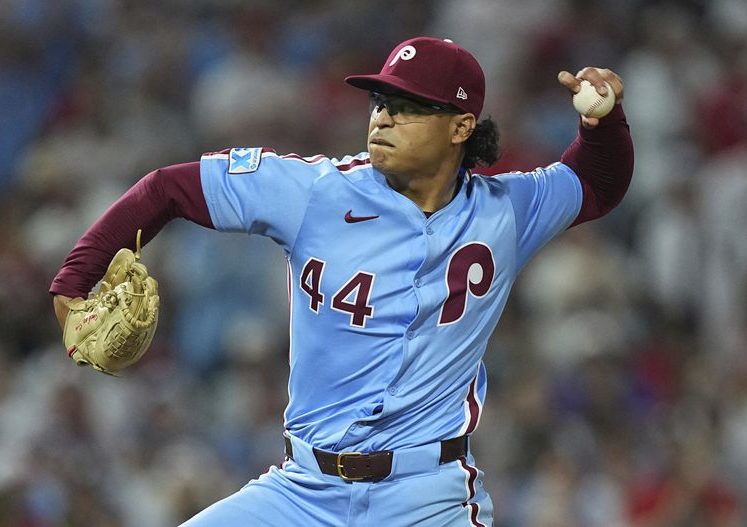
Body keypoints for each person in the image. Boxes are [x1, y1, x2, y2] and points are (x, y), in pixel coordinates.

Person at [51, 36, 633, 526]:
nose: (383, 115)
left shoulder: (508, 209)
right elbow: (167, 189)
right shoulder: (316, 191)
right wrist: (72, 284)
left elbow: (596, 182)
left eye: (408, 105)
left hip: (427, 498)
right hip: (302, 492)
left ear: (461, 127)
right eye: (381, 99)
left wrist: (600, 121)